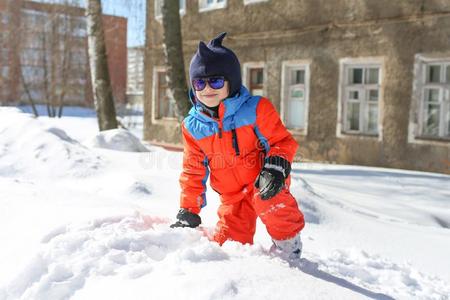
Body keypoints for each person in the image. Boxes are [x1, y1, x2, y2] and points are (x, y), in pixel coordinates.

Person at [170, 32, 305, 260]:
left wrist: (276, 167)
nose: (207, 88)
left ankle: (289, 247)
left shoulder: (256, 109)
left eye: (215, 81)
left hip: (265, 180)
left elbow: (281, 141)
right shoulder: (193, 126)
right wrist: (188, 209)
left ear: (231, 81)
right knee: (229, 248)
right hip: (232, 196)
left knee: (269, 200)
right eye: (199, 82)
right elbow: (193, 169)